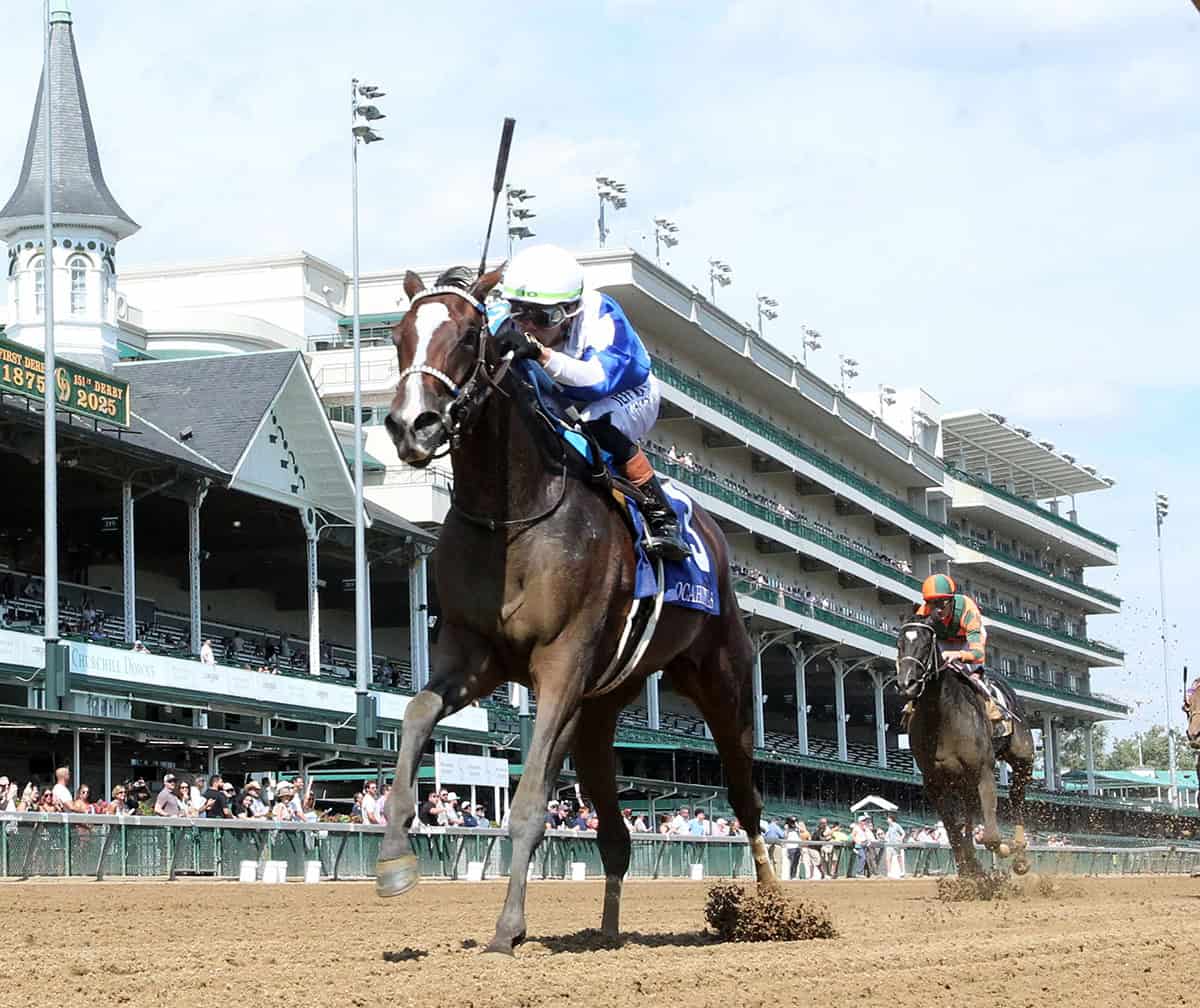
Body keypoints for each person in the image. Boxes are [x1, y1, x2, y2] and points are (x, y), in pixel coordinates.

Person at [494, 244, 689, 561]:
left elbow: (597, 381)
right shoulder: (507, 318)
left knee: (594, 422)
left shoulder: (603, 318)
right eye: (519, 311)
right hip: (562, 394)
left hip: (624, 393)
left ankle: (662, 516)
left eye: (542, 317)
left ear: (569, 312)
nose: (527, 325)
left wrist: (540, 354)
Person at [907, 573, 1006, 726]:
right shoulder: (923, 612)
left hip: (967, 641)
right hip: (942, 641)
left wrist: (958, 655)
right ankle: (911, 709)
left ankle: (994, 712)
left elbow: (978, 654)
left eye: (941, 603)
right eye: (932, 603)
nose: (937, 609)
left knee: (973, 677)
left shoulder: (968, 609)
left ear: (951, 600)